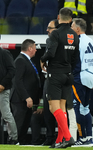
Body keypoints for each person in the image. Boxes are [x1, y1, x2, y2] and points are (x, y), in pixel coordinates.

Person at [40, 7, 79, 148]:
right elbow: (76, 58)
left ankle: (68, 138)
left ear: (58, 17)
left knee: (53, 107)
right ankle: (59, 140)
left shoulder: (55, 34)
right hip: (68, 74)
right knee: (62, 108)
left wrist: (42, 59)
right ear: (70, 20)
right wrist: (69, 69)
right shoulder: (74, 35)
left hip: (55, 74)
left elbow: (50, 52)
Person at [10, 39, 40, 145]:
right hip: (20, 99)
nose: (36, 50)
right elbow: (17, 81)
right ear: (30, 48)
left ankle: (19, 143)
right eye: (35, 48)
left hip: (26, 100)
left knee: (24, 124)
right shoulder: (20, 60)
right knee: (18, 124)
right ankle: (13, 143)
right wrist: (26, 97)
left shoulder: (28, 61)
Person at [71, 18, 93, 146]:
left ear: (78, 29)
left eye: (72, 26)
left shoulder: (77, 42)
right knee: (85, 108)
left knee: (79, 108)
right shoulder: (91, 41)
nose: (71, 29)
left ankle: (83, 137)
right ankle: (89, 137)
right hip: (91, 76)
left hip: (80, 77)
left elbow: (75, 62)